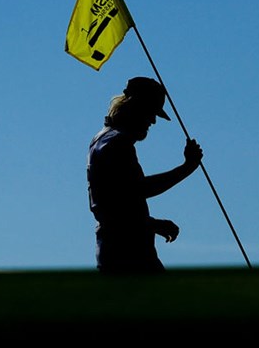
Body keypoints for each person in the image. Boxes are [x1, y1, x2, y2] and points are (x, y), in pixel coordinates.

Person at [87, 77, 203, 274]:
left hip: (115, 251)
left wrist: (151, 224)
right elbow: (139, 189)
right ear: (135, 108)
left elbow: (117, 201)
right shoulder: (117, 144)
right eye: (150, 113)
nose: (153, 121)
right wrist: (188, 167)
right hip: (129, 254)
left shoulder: (101, 139)